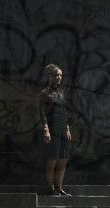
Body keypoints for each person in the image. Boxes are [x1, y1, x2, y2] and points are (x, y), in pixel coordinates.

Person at [39, 64, 72, 197]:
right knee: (52, 159)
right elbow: (42, 113)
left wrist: (67, 128)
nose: (59, 78)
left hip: (62, 128)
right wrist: (46, 129)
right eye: (57, 75)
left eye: (61, 75)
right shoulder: (45, 93)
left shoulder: (61, 92)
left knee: (63, 159)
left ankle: (59, 188)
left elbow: (64, 112)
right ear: (50, 76)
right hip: (52, 128)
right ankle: (50, 188)